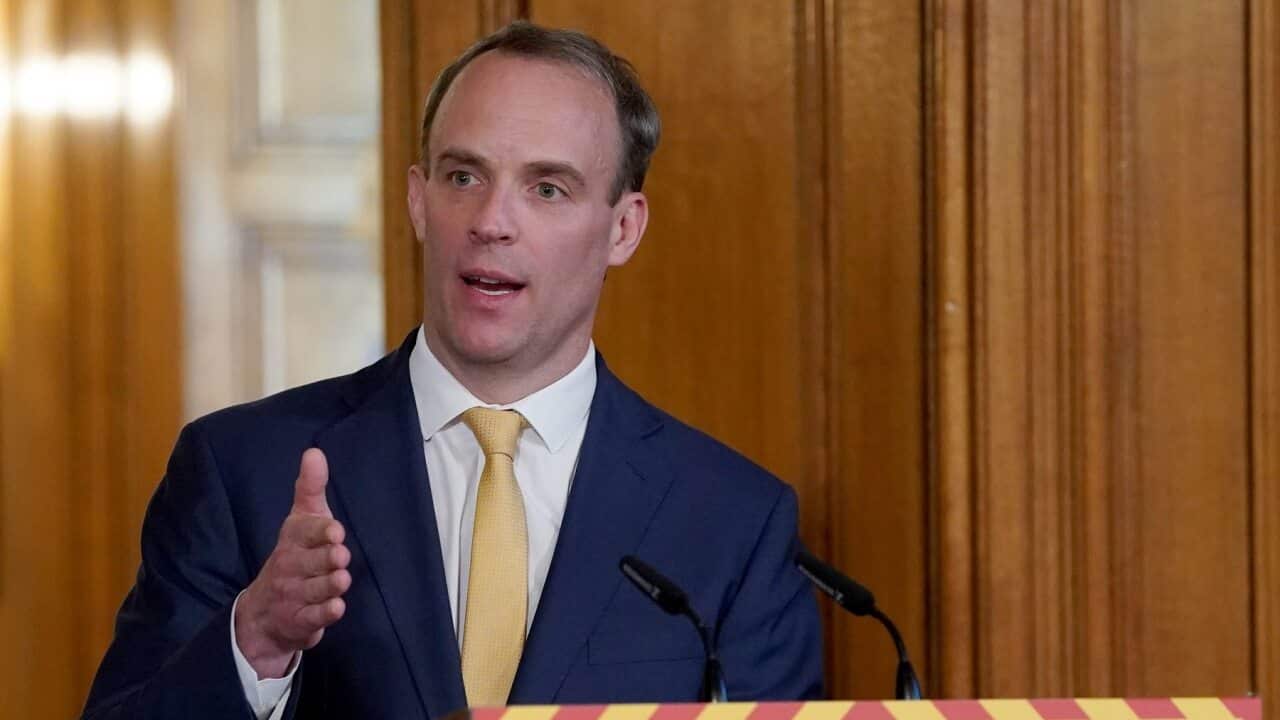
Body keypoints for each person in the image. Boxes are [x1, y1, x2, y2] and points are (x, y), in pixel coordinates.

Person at [82, 21, 823, 720]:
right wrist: (257, 641)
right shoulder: (242, 469)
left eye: (547, 188)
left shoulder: (730, 521)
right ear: (416, 199)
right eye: (464, 176)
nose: (491, 221)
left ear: (623, 229)